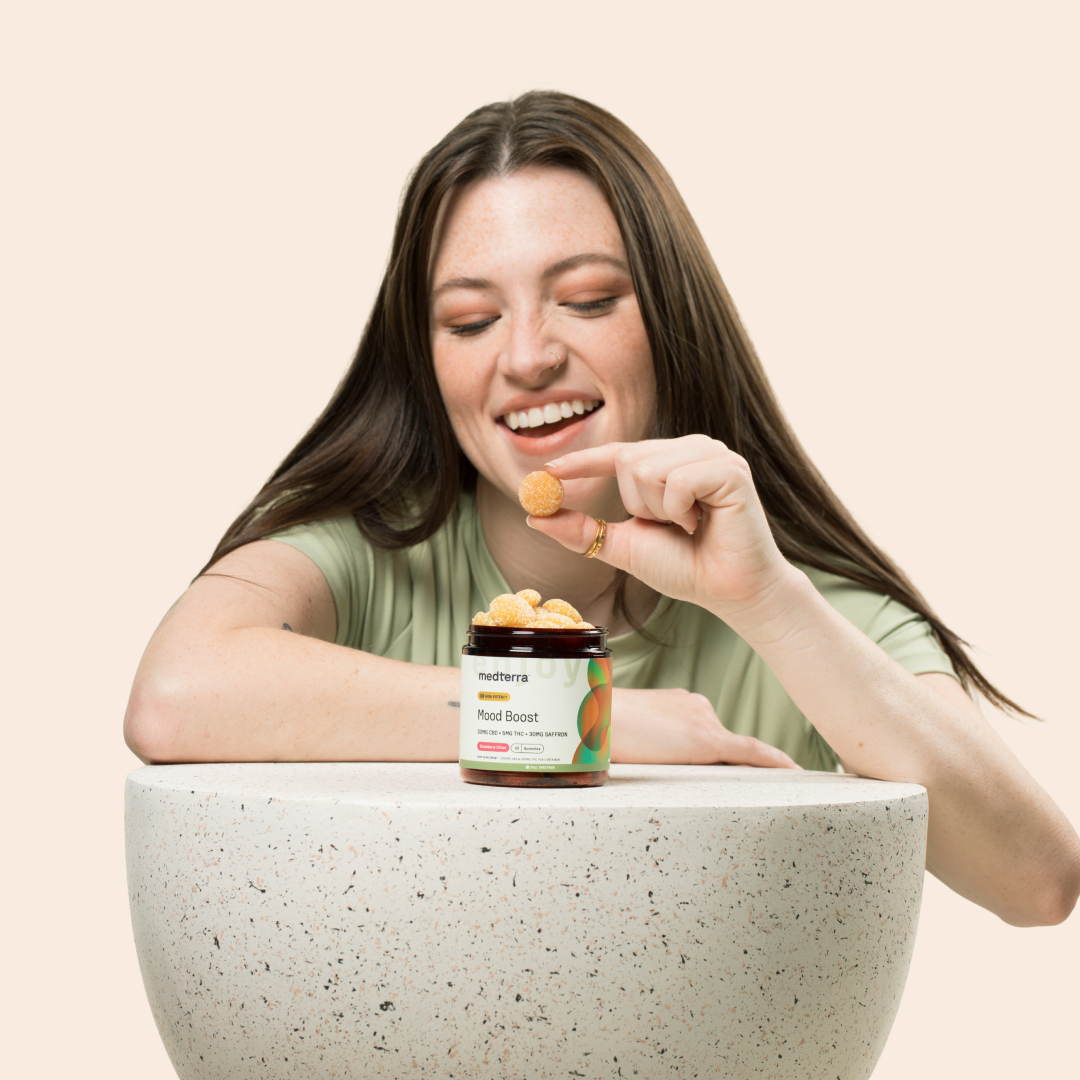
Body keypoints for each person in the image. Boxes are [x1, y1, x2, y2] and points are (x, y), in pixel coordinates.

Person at [125, 90, 1079, 927]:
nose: (529, 355)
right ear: (427, 358)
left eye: (586, 300)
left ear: (670, 317)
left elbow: (1039, 881)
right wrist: (594, 721)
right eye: (470, 320)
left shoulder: (799, 614)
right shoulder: (364, 547)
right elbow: (174, 695)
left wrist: (771, 604)